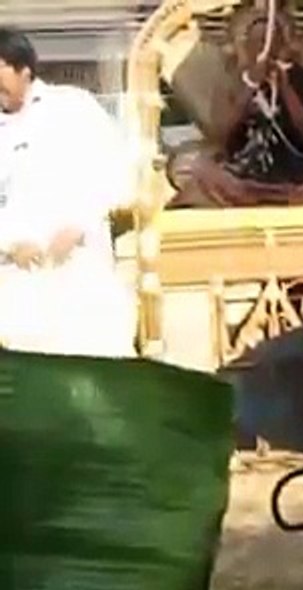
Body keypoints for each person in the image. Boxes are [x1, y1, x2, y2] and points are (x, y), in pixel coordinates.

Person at [0, 26, 136, 357]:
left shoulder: (74, 109)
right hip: (14, 282)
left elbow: (120, 175)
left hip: (79, 267)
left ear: (24, 70)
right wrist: (10, 246)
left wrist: (78, 226)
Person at [173, 11, 303, 207]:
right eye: (259, 42)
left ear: (283, 45)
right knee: (204, 172)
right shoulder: (230, 84)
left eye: (271, 42)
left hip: (294, 166)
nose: (265, 49)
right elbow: (220, 134)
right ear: (246, 47)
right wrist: (250, 87)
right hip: (243, 167)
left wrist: (285, 88)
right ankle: (274, 194)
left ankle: (263, 194)